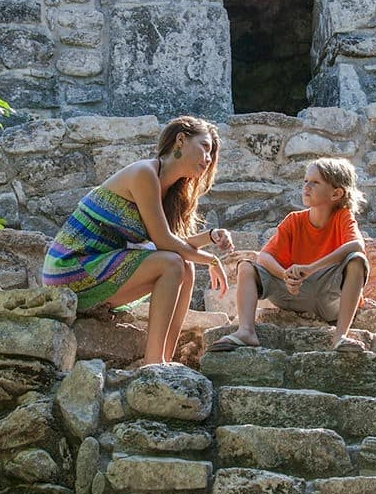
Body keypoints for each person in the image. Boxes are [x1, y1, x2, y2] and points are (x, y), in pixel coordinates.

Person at [42, 115, 233, 367]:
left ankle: (164, 360)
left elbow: (168, 240)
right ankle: (153, 363)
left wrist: (210, 238)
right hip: (71, 268)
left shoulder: (169, 191)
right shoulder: (145, 173)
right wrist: (210, 259)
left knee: (185, 267)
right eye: (205, 147)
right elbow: (163, 242)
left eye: (211, 154)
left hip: (99, 267)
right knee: (173, 264)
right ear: (181, 140)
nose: (208, 159)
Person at [208, 156, 369, 353]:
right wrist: (285, 274)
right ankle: (246, 331)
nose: (306, 187)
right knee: (246, 266)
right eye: (305, 181)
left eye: (315, 182)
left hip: (328, 298)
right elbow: (264, 257)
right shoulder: (294, 220)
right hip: (291, 292)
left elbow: (357, 245)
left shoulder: (343, 217)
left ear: (336, 193)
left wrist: (310, 269)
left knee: (357, 261)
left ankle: (340, 336)